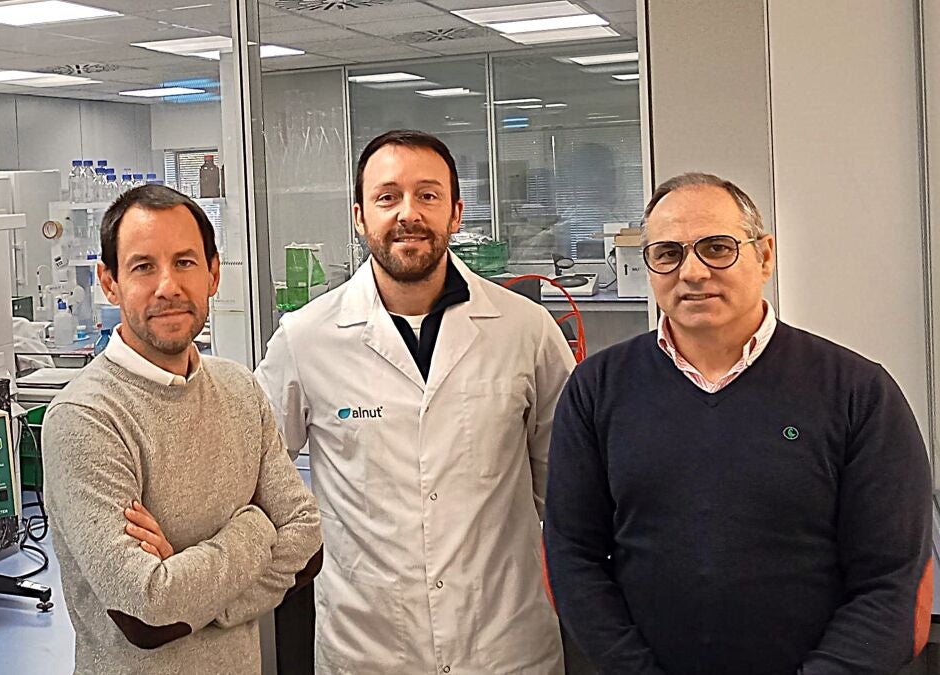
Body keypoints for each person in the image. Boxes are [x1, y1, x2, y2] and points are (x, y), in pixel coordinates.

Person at [543, 171, 933, 674]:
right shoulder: (597, 388)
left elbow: (891, 580)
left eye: (717, 248)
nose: (693, 272)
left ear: (764, 256)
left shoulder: (857, 391)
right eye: (668, 253)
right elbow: (572, 555)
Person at [255, 129, 574, 673]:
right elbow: (252, 471)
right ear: (360, 218)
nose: (409, 213)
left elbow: (564, 483)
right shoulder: (306, 338)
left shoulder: (525, 329)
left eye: (428, 195)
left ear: (456, 213)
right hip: (368, 649)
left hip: (505, 646)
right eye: (388, 197)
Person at [42, 185, 322, 675]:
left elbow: (307, 543)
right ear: (109, 282)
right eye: (143, 266)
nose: (168, 286)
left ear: (213, 273)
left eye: (185, 262)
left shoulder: (240, 389)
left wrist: (195, 598)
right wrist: (255, 526)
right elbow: (148, 612)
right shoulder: (85, 418)